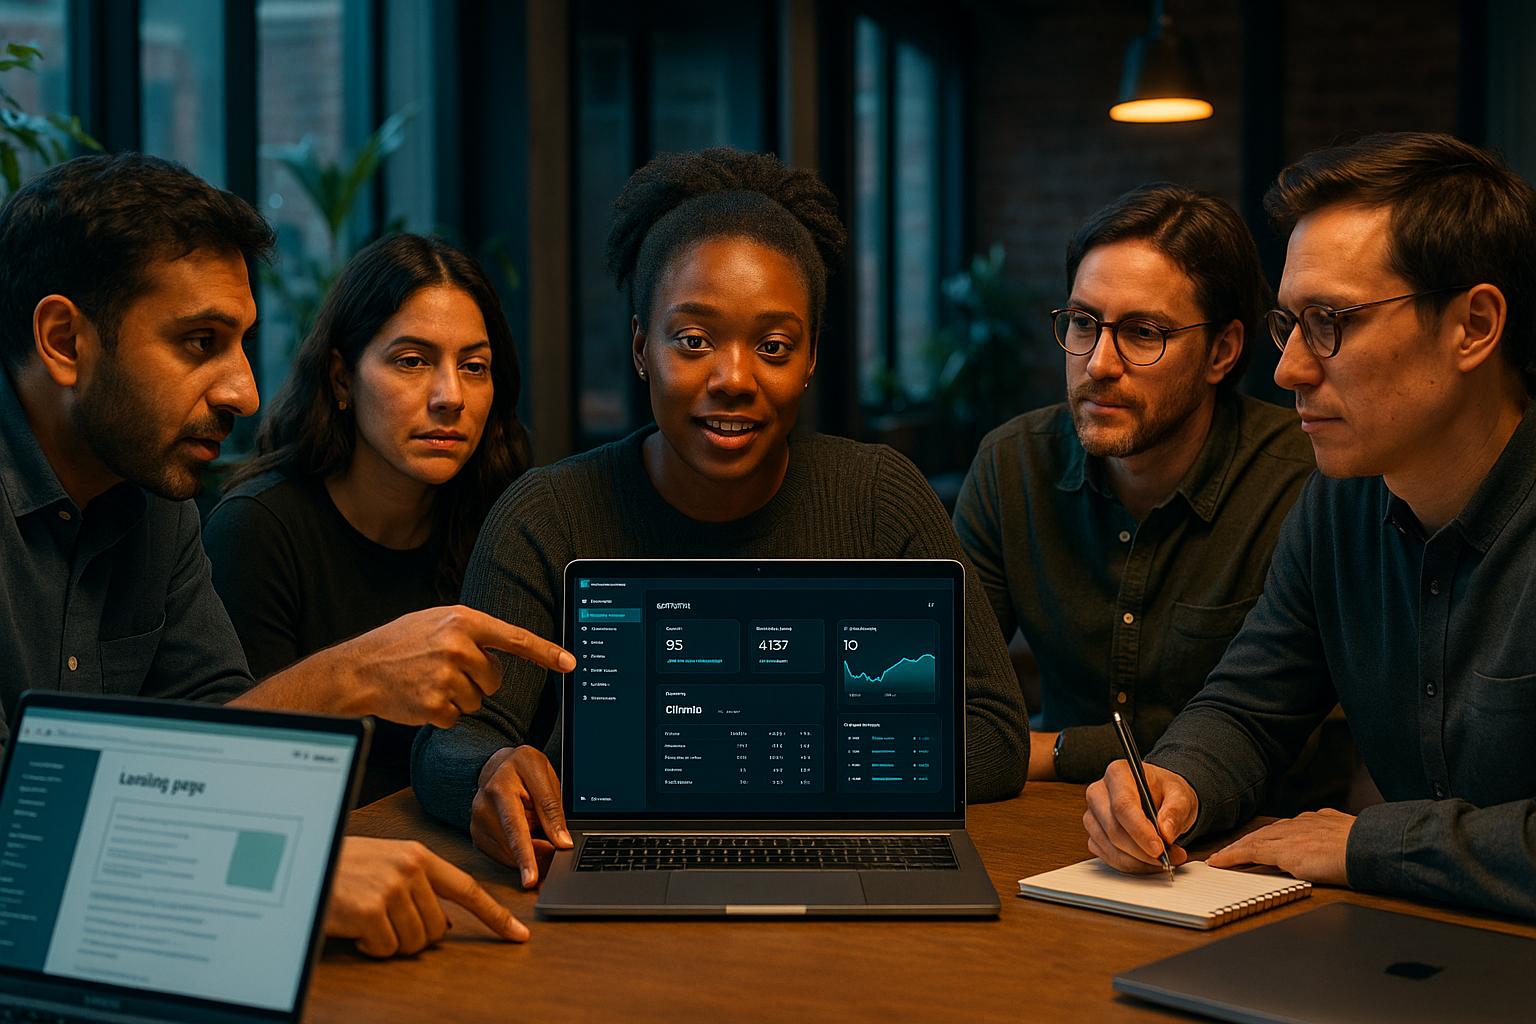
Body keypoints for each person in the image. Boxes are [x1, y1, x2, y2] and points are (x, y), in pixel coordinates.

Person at [412, 148, 1031, 886]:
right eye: (694, 341)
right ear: (643, 347)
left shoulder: (878, 496)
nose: (733, 379)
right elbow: (450, 741)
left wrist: (758, 753)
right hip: (613, 894)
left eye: (772, 346)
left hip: (845, 875)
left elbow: (995, 731)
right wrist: (491, 770)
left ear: (808, 360)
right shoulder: (548, 516)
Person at [0, 153, 568, 955]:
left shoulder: (155, 499)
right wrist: (350, 680)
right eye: (199, 342)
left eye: (239, 343)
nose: (244, 391)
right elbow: (20, 846)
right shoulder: (246, 515)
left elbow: (222, 761)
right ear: (63, 340)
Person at [1084, 132, 1536, 918]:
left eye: (1329, 321)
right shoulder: (1340, 502)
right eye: (1287, 323)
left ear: (1474, 326)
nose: (1290, 367)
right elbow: (1249, 706)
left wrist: (1371, 841)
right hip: (1414, 944)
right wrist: (1176, 784)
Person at [953, 184, 1314, 783]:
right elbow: (942, 698)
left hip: (1249, 837)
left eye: (1144, 333)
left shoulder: (1301, 483)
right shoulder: (1013, 464)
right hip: (1051, 819)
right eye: (1082, 323)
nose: (1098, 362)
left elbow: (1272, 722)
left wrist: (1055, 751)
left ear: (1221, 351)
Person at [204, 233, 530, 805]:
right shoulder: (258, 530)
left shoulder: (503, 520)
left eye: (474, 366)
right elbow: (231, 765)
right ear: (340, 379)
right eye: (412, 361)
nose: (450, 396)